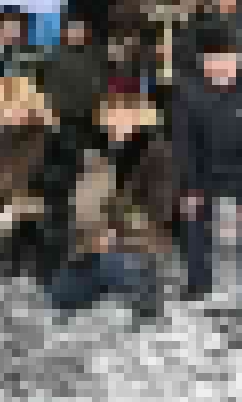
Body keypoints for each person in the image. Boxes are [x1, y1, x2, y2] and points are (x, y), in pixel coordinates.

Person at [169, 26, 242, 323]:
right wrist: (190, 188)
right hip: (205, 166)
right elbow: (184, 144)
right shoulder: (186, 89)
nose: (219, 66)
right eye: (212, 59)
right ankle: (198, 280)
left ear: (240, 58)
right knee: (193, 214)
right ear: (201, 61)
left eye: (226, 58)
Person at [48, 85, 179, 325]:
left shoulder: (158, 154)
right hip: (95, 239)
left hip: (138, 237)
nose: (116, 122)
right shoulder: (101, 153)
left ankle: (146, 287)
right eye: (111, 115)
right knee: (60, 294)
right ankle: (107, 277)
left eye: (124, 115)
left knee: (114, 260)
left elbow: (157, 210)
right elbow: (80, 200)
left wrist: (114, 231)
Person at [0, 76, 70, 282]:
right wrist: (4, 196)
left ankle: (43, 263)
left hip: (46, 205)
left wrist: (31, 201)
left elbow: (62, 180)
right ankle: (8, 260)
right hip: (6, 204)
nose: (13, 111)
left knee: (40, 224)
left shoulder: (53, 138)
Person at [41, 15, 110, 136]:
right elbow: (51, 85)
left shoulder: (94, 55)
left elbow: (99, 82)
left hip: (89, 112)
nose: (77, 34)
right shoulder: (57, 57)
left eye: (80, 30)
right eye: (73, 30)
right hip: (64, 112)